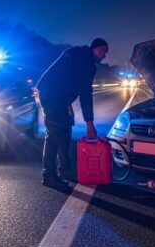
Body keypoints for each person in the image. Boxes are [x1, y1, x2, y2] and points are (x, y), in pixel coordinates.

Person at [36, 38, 108, 189]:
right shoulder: (86, 63)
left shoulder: (77, 53)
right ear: (94, 49)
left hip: (59, 97)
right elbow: (85, 94)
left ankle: (65, 169)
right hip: (51, 96)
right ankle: (49, 175)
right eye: (102, 51)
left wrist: (67, 103)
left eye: (105, 53)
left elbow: (67, 78)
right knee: (55, 133)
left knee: (66, 129)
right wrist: (90, 125)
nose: (103, 55)